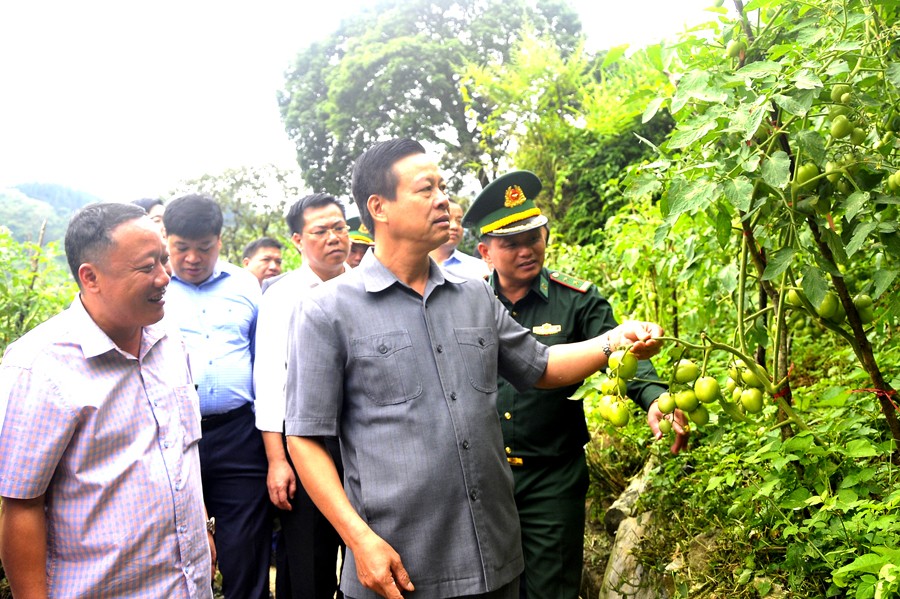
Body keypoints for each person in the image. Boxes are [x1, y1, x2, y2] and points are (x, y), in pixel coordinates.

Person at [283, 138, 666, 599]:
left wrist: (612, 341)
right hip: (400, 565)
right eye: (426, 189)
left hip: (493, 559)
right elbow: (304, 438)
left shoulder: (475, 295)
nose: (443, 199)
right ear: (379, 207)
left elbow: (542, 366)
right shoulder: (327, 311)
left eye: (442, 187)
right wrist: (357, 538)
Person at [465, 170, 689, 599]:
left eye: (533, 236)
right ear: (485, 251)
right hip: (483, 478)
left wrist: (654, 397)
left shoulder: (578, 299)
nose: (526, 249)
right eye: (510, 242)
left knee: (550, 588)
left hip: (551, 475)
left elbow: (620, 358)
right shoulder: (466, 302)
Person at [0, 202, 214, 598]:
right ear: (91, 277)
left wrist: (201, 531)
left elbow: (180, 454)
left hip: (186, 584)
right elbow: (21, 506)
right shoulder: (39, 367)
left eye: (163, 261)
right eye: (147, 266)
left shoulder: (170, 341)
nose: (164, 277)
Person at [163, 194, 272, 599]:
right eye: (181, 248)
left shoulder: (245, 285)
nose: (192, 257)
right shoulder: (152, 286)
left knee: (245, 545)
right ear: (166, 240)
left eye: (203, 248)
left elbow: (262, 358)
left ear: (219, 242)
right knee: (171, 548)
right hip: (170, 433)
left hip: (237, 433)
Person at [255, 193, 349, 599]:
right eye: (320, 231)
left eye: (340, 227)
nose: (334, 238)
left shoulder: (369, 284)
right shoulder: (282, 295)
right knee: (310, 559)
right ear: (297, 240)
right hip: (306, 442)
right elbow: (270, 379)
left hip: (365, 438)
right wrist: (278, 459)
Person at [429, 199, 490, 280]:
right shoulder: (413, 264)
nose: (455, 226)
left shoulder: (478, 268)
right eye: (447, 219)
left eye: (459, 221)